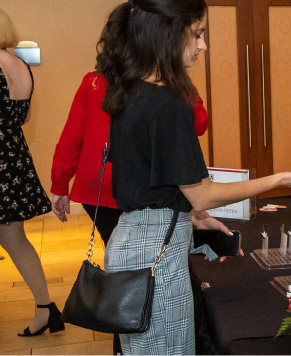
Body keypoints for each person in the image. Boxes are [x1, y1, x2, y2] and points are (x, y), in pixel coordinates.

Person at [97, 0, 291, 354]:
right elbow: (203, 192)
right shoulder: (167, 105)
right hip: (156, 257)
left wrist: (191, 218)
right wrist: (277, 179)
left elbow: (148, 182)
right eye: (196, 34)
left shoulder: (131, 90)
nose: (203, 45)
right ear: (168, 33)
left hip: (134, 241)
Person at [49, 72, 211, 355]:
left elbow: (72, 133)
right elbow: (199, 123)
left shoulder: (94, 81)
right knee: (139, 278)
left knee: (128, 276)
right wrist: (184, 84)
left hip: (99, 184)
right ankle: (130, 340)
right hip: (145, 185)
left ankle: (126, 341)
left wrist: (59, 183)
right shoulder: (165, 84)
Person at [0, 7, 65, 337]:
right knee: (15, 239)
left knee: (13, 239)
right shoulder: (20, 65)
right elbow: (22, 118)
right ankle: (46, 309)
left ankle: (47, 310)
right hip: (11, 158)